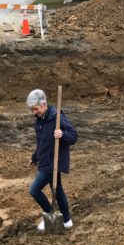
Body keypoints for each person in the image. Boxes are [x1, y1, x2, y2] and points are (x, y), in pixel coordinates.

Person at [26, 89, 78, 231]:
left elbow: (74, 136)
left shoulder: (57, 117)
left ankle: (50, 215)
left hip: (53, 161)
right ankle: (66, 220)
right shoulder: (39, 120)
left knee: (34, 190)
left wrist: (62, 134)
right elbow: (40, 141)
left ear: (43, 105)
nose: (34, 112)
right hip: (45, 159)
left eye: (35, 109)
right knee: (58, 190)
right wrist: (34, 157)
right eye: (32, 109)